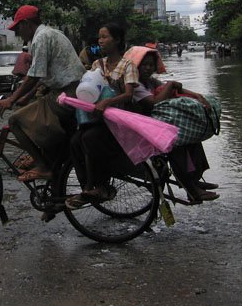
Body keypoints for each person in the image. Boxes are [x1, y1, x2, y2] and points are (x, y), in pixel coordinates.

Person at [0, 5, 84, 182]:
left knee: (15, 121)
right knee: (35, 113)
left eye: (18, 28)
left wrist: (11, 99)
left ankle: (43, 167)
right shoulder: (48, 34)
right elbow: (44, 74)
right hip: (67, 91)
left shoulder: (41, 38)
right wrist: (25, 97)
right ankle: (48, 161)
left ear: (27, 23)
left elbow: (35, 75)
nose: (18, 33)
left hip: (68, 93)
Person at [126, 45, 219, 202]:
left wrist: (197, 96)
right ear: (135, 66)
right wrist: (170, 85)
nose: (148, 68)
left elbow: (174, 89)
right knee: (174, 143)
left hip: (155, 124)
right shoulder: (135, 86)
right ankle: (191, 188)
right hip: (140, 127)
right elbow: (154, 103)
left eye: (151, 65)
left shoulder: (150, 81)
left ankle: (195, 178)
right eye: (144, 65)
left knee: (190, 136)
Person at [66, 23, 139, 209]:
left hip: (117, 121)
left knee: (91, 138)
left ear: (117, 40)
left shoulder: (128, 65)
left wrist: (107, 102)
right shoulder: (97, 64)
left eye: (105, 37)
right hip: (97, 119)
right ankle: (87, 187)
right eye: (99, 37)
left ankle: (101, 185)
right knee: (75, 141)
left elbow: (129, 94)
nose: (100, 40)